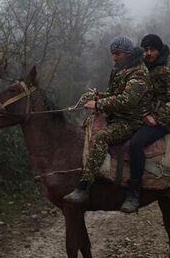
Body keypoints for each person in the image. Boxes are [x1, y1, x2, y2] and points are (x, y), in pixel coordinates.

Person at [64, 35, 150, 204]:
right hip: (116, 115)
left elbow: (127, 100)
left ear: (127, 53)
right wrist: (99, 96)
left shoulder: (139, 73)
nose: (114, 56)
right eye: (112, 53)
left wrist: (98, 104)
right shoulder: (120, 69)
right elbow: (115, 94)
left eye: (117, 53)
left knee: (102, 137)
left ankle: (84, 186)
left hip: (130, 121)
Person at [120, 33, 170, 213]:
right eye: (146, 49)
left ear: (159, 49)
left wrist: (157, 118)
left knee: (136, 143)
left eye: (152, 49)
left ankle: (134, 192)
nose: (148, 53)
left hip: (163, 120)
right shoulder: (143, 67)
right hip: (143, 116)